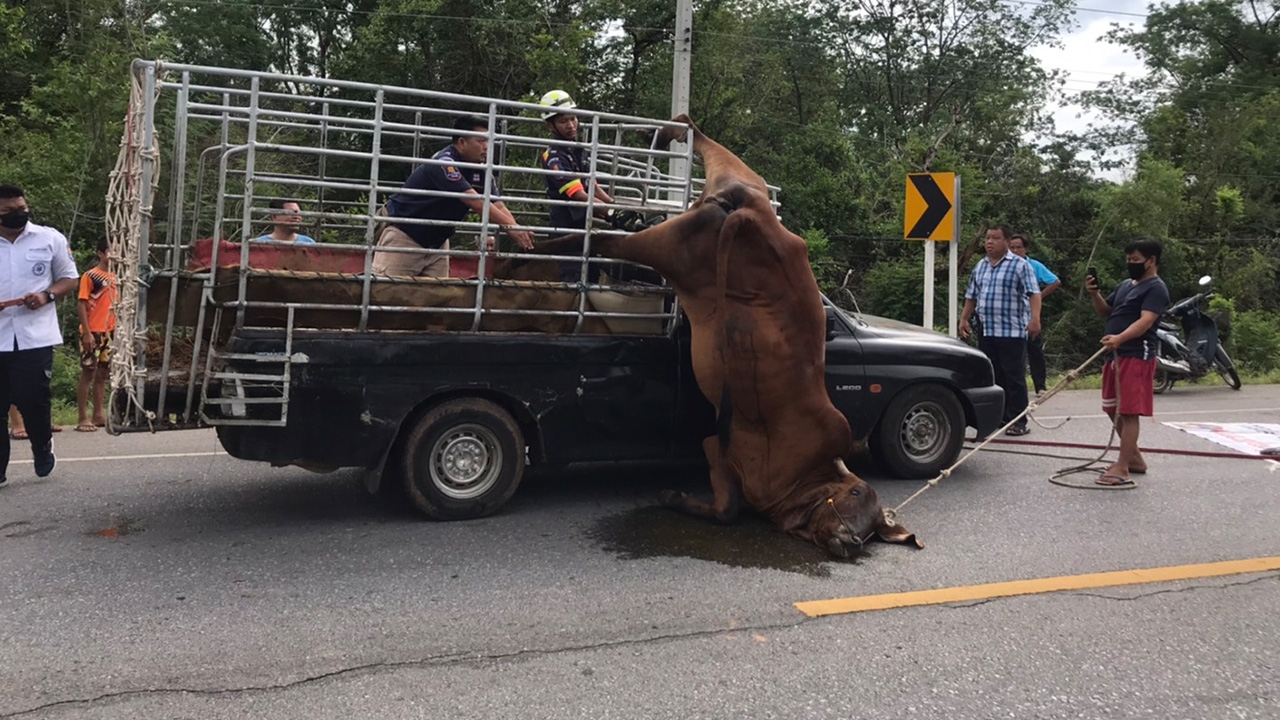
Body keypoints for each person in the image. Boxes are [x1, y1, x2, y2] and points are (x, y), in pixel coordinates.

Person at [373, 115, 534, 277]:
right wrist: (512, 228)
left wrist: (517, 229)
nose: (486, 147)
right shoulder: (444, 163)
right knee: (387, 293)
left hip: (438, 242)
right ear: (462, 143)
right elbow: (475, 202)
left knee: (437, 298)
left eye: (488, 141)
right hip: (405, 236)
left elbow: (498, 205)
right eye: (481, 141)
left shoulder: (481, 170)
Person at [0, 185, 79, 485]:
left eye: (21, 207)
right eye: (9, 212)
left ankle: (42, 447)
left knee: (33, 400)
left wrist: (47, 295)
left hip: (35, 337)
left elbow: (70, 278)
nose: (18, 214)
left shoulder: (49, 239)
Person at [1085, 239, 1170, 487]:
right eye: (1128, 260)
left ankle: (1122, 467)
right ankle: (1134, 459)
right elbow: (1106, 311)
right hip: (1114, 354)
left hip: (1135, 354)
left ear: (1151, 261)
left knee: (1129, 412)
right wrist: (1095, 294)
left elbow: (1146, 321)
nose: (1130, 264)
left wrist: (1121, 338)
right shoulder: (1125, 285)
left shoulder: (1156, 288)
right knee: (1111, 408)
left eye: (1135, 260)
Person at [536, 90, 642, 282]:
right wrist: (609, 213)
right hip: (567, 227)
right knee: (573, 277)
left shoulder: (577, 148)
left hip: (585, 223)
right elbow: (576, 192)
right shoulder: (553, 155)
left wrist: (613, 204)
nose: (571, 125)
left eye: (573, 119)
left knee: (592, 275)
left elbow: (590, 183)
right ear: (549, 125)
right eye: (563, 121)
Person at [959, 224, 1042, 436]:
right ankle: (1000, 417)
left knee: (1014, 377)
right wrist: (964, 318)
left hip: (1012, 332)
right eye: (987, 238)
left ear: (1006, 242)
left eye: (995, 238)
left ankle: (1019, 420)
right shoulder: (981, 266)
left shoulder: (1019, 265)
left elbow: (1034, 293)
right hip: (987, 330)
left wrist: (1035, 319)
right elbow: (972, 295)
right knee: (993, 376)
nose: (989, 242)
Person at [1009, 233, 1061, 395]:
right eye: (1012, 247)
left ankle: (1040, 385)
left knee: (1035, 350)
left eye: (1019, 247)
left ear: (1026, 249)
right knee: (1013, 351)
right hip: (1011, 316)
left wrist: (1038, 296)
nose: (1016, 250)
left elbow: (1054, 281)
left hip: (1030, 315)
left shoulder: (1033, 266)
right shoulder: (1005, 265)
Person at [76, 237, 116, 432]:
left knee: (102, 373)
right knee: (88, 372)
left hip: (111, 331)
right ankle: (82, 417)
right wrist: (87, 333)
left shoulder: (119, 277)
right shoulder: (91, 276)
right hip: (93, 331)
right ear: (100, 253)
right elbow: (82, 303)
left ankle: (98, 414)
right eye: (110, 251)